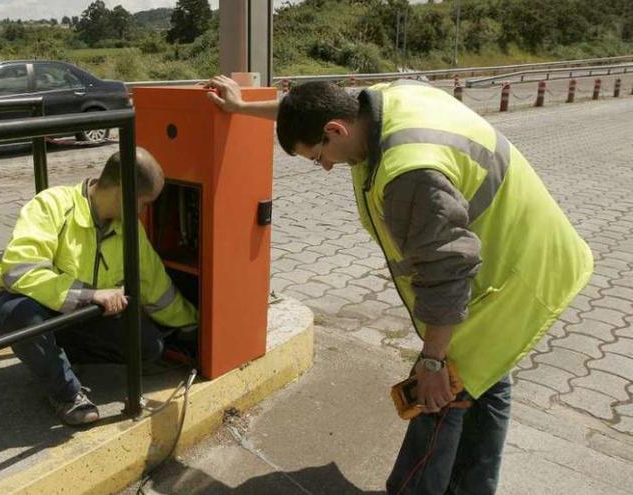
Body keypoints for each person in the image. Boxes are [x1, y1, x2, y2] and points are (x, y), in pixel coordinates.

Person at [205, 75, 592, 494]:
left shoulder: (409, 173)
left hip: (502, 279)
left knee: (439, 395)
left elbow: (444, 275)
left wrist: (432, 361)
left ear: (336, 130)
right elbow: (308, 109)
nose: (327, 166)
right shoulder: (381, 102)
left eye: (318, 157)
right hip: (532, 254)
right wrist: (241, 105)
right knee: (488, 383)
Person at [0, 147, 198, 426]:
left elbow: (155, 288)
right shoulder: (52, 204)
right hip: (20, 302)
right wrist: (90, 295)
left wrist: (193, 327)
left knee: (149, 346)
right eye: (143, 202)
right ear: (123, 190)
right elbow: (20, 272)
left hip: (78, 313)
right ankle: (66, 393)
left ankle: (53, 356)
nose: (142, 210)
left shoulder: (129, 229)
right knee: (24, 316)